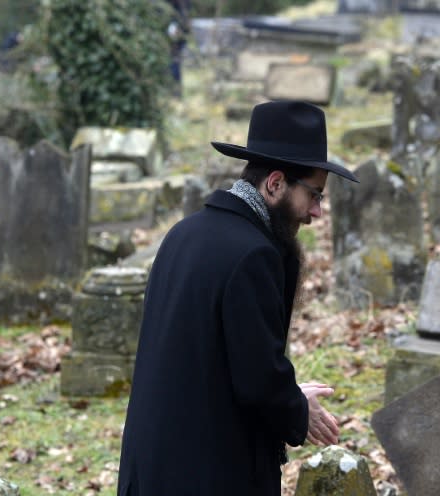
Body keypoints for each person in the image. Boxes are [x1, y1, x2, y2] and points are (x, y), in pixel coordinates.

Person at [117, 100, 359, 495]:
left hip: (155, 465)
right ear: (276, 183)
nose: (316, 212)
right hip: (209, 473)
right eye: (314, 195)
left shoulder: (184, 233)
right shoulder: (253, 255)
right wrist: (299, 410)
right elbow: (257, 379)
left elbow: (207, 361)